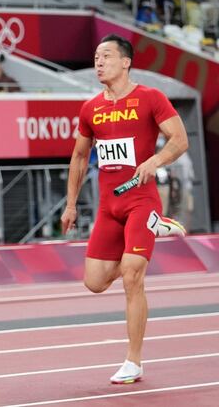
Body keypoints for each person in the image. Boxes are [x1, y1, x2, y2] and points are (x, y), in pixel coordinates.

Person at [61, 34, 188, 385]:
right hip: (109, 206)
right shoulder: (90, 108)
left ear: (126, 62)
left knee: (133, 275)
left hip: (141, 200)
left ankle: (134, 360)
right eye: (96, 56)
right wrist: (71, 204)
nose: (99, 62)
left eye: (106, 56)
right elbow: (79, 156)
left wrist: (156, 160)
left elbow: (180, 140)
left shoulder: (150, 97)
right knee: (94, 282)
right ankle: (155, 230)